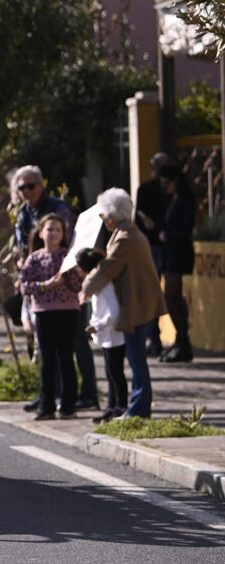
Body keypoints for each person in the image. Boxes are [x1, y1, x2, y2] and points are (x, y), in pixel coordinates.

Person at [12, 165, 98, 411]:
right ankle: (50, 397)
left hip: (68, 303)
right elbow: (23, 262)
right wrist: (33, 273)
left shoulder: (58, 208)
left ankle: (84, 395)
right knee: (47, 355)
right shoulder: (24, 215)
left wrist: (70, 272)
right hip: (43, 305)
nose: (26, 191)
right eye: (21, 188)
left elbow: (73, 247)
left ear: (41, 185)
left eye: (31, 186)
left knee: (75, 347)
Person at [81, 188, 166, 419]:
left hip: (137, 306)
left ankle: (138, 410)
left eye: (103, 215)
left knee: (137, 360)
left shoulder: (125, 239)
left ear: (111, 216)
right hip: (142, 303)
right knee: (136, 359)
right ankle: (138, 408)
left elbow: (106, 270)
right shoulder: (131, 233)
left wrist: (85, 289)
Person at [20, 213, 83, 419]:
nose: (54, 233)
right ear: (41, 233)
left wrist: (74, 273)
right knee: (47, 360)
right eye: (50, 229)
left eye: (58, 230)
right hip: (44, 312)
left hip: (68, 312)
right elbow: (25, 286)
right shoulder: (35, 258)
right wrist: (48, 284)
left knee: (66, 358)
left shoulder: (69, 258)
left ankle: (68, 405)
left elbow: (77, 287)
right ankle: (46, 405)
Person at [76, 248, 127, 424]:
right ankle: (112, 408)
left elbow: (114, 312)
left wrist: (97, 326)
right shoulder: (99, 285)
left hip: (113, 335)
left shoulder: (104, 285)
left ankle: (121, 408)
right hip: (108, 337)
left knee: (115, 373)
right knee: (110, 372)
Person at [156, 162, 195, 363]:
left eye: (166, 184)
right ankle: (181, 341)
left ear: (175, 182)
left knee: (172, 298)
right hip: (172, 254)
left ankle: (183, 342)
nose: (165, 188)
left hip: (179, 254)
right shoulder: (176, 199)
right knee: (172, 299)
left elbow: (186, 229)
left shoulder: (185, 200)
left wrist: (167, 235)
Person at [135, 152, 170, 356]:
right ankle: (155, 339)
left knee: (161, 296)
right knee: (156, 295)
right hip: (156, 248)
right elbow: (139, 219)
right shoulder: (150, 190)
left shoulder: (172, 191)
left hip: (159, 248)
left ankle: (158, 340)